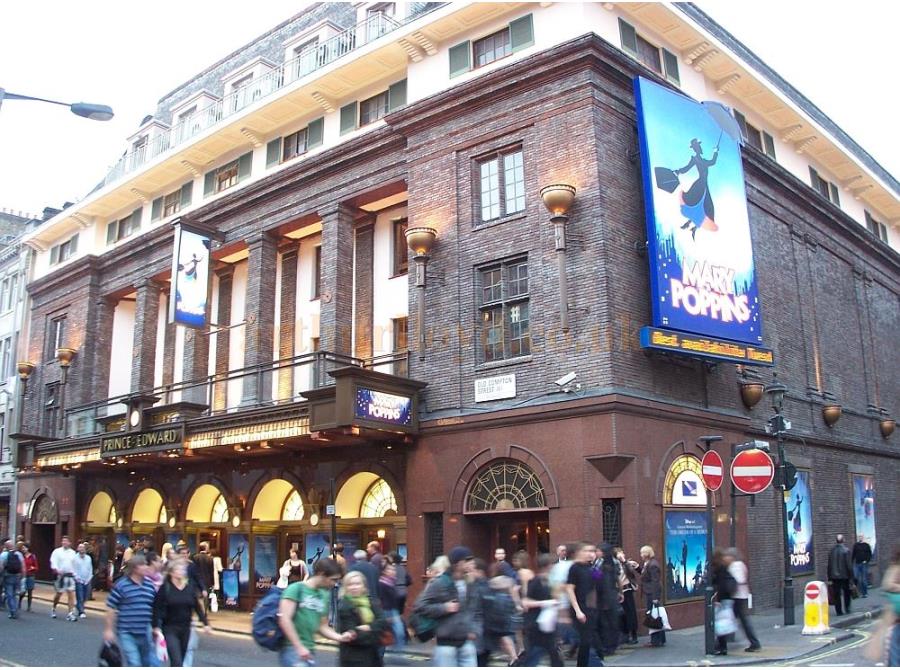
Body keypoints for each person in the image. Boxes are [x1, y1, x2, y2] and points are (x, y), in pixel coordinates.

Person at [277, 557, 353, 667]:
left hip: (308, 650)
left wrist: (340, 637)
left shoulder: (324, 595)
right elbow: (284, 620)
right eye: (333, 579)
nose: (335, 584)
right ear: (321, 574)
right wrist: (299, 647)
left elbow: (321, 626)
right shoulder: (295, 589)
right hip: (292, 650)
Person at [414, 545, 482, 666]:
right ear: (458, 563)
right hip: (446, 646)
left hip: (467, 643)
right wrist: (444, 608)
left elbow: (476, 610)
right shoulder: (440, 582)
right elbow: (420, 606)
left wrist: (475, 630)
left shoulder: (471, 583)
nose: (472, 564)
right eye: (468, 561)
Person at [153, 558, 211, 667]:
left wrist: (206, 623)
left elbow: (197, 607)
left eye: (183, 569)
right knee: (177, 661)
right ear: (171, 572)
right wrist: (155, 626)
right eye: (179, 569)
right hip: (169, 628)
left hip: (185, 628)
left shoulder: (189, 588)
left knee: (180, 661)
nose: (182, 572)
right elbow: (156, 607)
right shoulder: (165, 588)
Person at [105, 555, 158, 667]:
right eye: (143, 565)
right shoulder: (122, 585)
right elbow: (111, 607)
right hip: (126, 631)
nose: (146, 567)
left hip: (145, 631)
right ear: (135, 568)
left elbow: (155, 607)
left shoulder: (149, 585)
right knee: (134, 662)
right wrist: (109, 630)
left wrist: (156, 627)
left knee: (148, 662)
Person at [565, 541, 605, 666]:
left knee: (589, 640)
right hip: (581, 609)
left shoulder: (590, 567)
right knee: (586, 641)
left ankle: (594, 660)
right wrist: (577, 611)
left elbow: (600, 581)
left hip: (591, 608)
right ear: (579, 552)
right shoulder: (575, 568)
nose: (590, 554)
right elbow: (569, 589)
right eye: (587, 551)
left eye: (592, 551)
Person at [337, 570, 388, 666]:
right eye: (350, 584)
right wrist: (375, 630)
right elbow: (355, 637)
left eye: (357, 584)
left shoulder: (371, 602)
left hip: (373, 658)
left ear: (364, 586)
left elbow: (383, 622)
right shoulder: (345, 606)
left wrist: (369, 628)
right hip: (353, 659)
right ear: (345, 587)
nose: (354, 587)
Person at [521, 553, 563, 666]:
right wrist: (545, 603)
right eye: (553, 565)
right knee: (536, 653)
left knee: (551, 652)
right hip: (535, 623)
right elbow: (525, 602)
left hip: (548, 623)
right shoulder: (535, 581)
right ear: (547, 566)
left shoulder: (552, 582)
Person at [725, 548, 760, 652]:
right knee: (733, 619)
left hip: (737, 597)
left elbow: (739, 579)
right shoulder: (740, 564)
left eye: (728, 556)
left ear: (732, 556)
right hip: (740, 596)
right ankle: (721, 642)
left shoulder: (735, 566)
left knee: (737, 620)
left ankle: (755, 643)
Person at [595, 543, 622, 656]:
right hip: (611, 595)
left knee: (606, 623)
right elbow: (618, 579)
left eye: (598, 550)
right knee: (612, 622)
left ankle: (608, 646)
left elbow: (597, 579)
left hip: (605, 597)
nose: (596, 553)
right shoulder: (614, 562)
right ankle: (612, 645)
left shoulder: (602, 564)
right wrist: (620, 592)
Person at [636, 544, 665, 648]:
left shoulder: (653, 565)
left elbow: (655, 581)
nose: (641, 555)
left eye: (642, 553)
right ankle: (660, 639)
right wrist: (637, 568)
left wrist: (655, 598)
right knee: (656, 615)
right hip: (650, 593)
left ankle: (655, 640)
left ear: (647, 553)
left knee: (653, 617)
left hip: (652, 594)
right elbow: (645, 576)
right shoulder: (647, 564)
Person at [711, 549, 737, 656]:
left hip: (723, 599)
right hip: (727, 598)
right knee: (722, 622)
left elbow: (719, 584)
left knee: (721, 622)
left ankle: (722, 647)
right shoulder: (724, 567)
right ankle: (721, 646)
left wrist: (719, 600)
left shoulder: (719, 568)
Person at [377, 562, 406, 651]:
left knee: (399, 633)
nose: (392, 571)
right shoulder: (382, 583)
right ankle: (380, 654)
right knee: (385, 633)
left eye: (393, 569)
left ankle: (397, 652)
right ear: (384, 572)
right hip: (386, 611)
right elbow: (380, 599)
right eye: (389, 569)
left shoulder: (392, 582)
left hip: (394, 611)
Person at [50, 535, 78, 621]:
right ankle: (54, 608)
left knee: (71, 595)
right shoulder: (57, 551)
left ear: (70, 543)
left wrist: (75, 575)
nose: (64, 542)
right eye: (63, 541)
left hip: (70, 576)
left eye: (66, 541)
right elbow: (53, 561)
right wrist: (56, 569)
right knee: (59, 594)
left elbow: (75, 565)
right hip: (61, 576)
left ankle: (70, 613)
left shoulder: (73, 553)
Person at [615, 548, 639, 645]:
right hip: (617, 592)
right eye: (619, 553)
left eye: (622, 553)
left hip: (627, 590)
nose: (622, 554)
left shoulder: (627, 564)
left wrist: (624, 561)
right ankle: (624, 634)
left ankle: (634, 634)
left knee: (630, 613)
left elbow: (632, 573)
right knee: (621, 614)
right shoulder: (614, 565)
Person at [827, 534, 854, 616]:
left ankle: (839, 611)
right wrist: (851, 577)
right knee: (847, 593)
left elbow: (829, 565)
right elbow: (849, 565)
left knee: (836, 594)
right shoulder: (846, 550)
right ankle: (847, 608)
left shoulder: (832, 551)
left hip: (834, 576)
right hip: (845, 576)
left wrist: (829, 577)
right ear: (843, 540)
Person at [0, 539, 24, 619]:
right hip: (17, 576)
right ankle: (15, 609)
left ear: (5, 546)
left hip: (8, 576)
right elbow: (23, 566)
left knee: (9, 594)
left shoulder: (3, 554)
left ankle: (13, 611)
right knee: (14, 594)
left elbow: (1, 567)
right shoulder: (18, 554)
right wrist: (23, 576)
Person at [73, 542, 94, 619]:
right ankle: (82, 611)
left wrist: (89, 578)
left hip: (87, 580)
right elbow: (73, 569)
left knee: (86, 596)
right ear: (78, 549)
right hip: (78, 580)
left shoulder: (88, 558)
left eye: (83, 548)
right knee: (80, 596)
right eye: (80, 547)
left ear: (85, 549)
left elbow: (90, 568)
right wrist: (77, 578)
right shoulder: (75, 558)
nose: (82, 549)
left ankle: (77, 606)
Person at [18, 543, 38, 612]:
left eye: (24, 548)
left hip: (30, 575)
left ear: (28, 548)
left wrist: (32, 568)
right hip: (23, 575)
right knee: (23, 591)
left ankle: (29, 607)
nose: (23, 549)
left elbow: (36, 567)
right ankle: (19, 602)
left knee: (30, 591)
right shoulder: (21, 556)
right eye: (22, 548)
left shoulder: (32, 556)